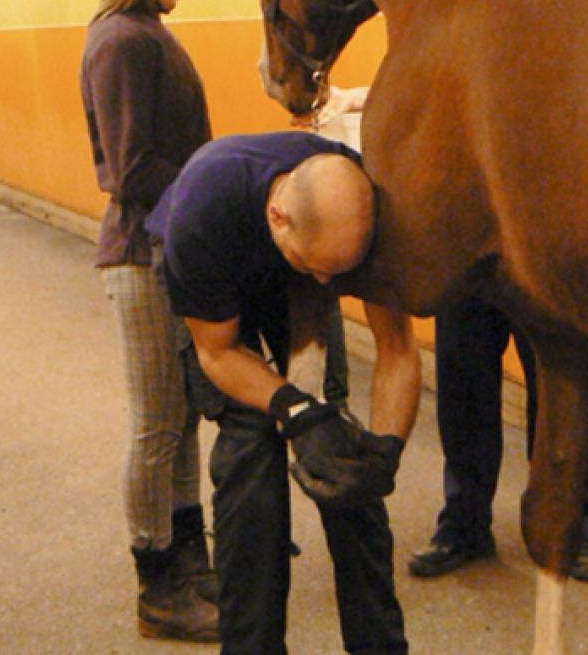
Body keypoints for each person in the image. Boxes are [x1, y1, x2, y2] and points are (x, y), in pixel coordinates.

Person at [145, 131, 421, 654]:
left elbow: (398, 348)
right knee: (251, 448)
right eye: (320, 267)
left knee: (341, 456)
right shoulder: (200, 213)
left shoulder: (360, 211)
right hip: (220, 290)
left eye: (337, 273)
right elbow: (218, 353)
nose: (327, 281)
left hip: (291, 267)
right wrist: (292, 408)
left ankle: (379, 646)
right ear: (278, 217)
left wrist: (386, 452)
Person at [79, 0, 218, 641]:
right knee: (157, 425)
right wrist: (220, 181)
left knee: (182, 417)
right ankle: (156, 579)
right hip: (141, 256)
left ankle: (190, 557)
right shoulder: (123, 40)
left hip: (167, 250)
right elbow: (130, 171)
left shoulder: (144, 32)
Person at [408, 295, 588, 581]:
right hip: (467, 258)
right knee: (462, 372)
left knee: (558, 385)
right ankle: (465, 523)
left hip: (542, 261)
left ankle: (574, 528)